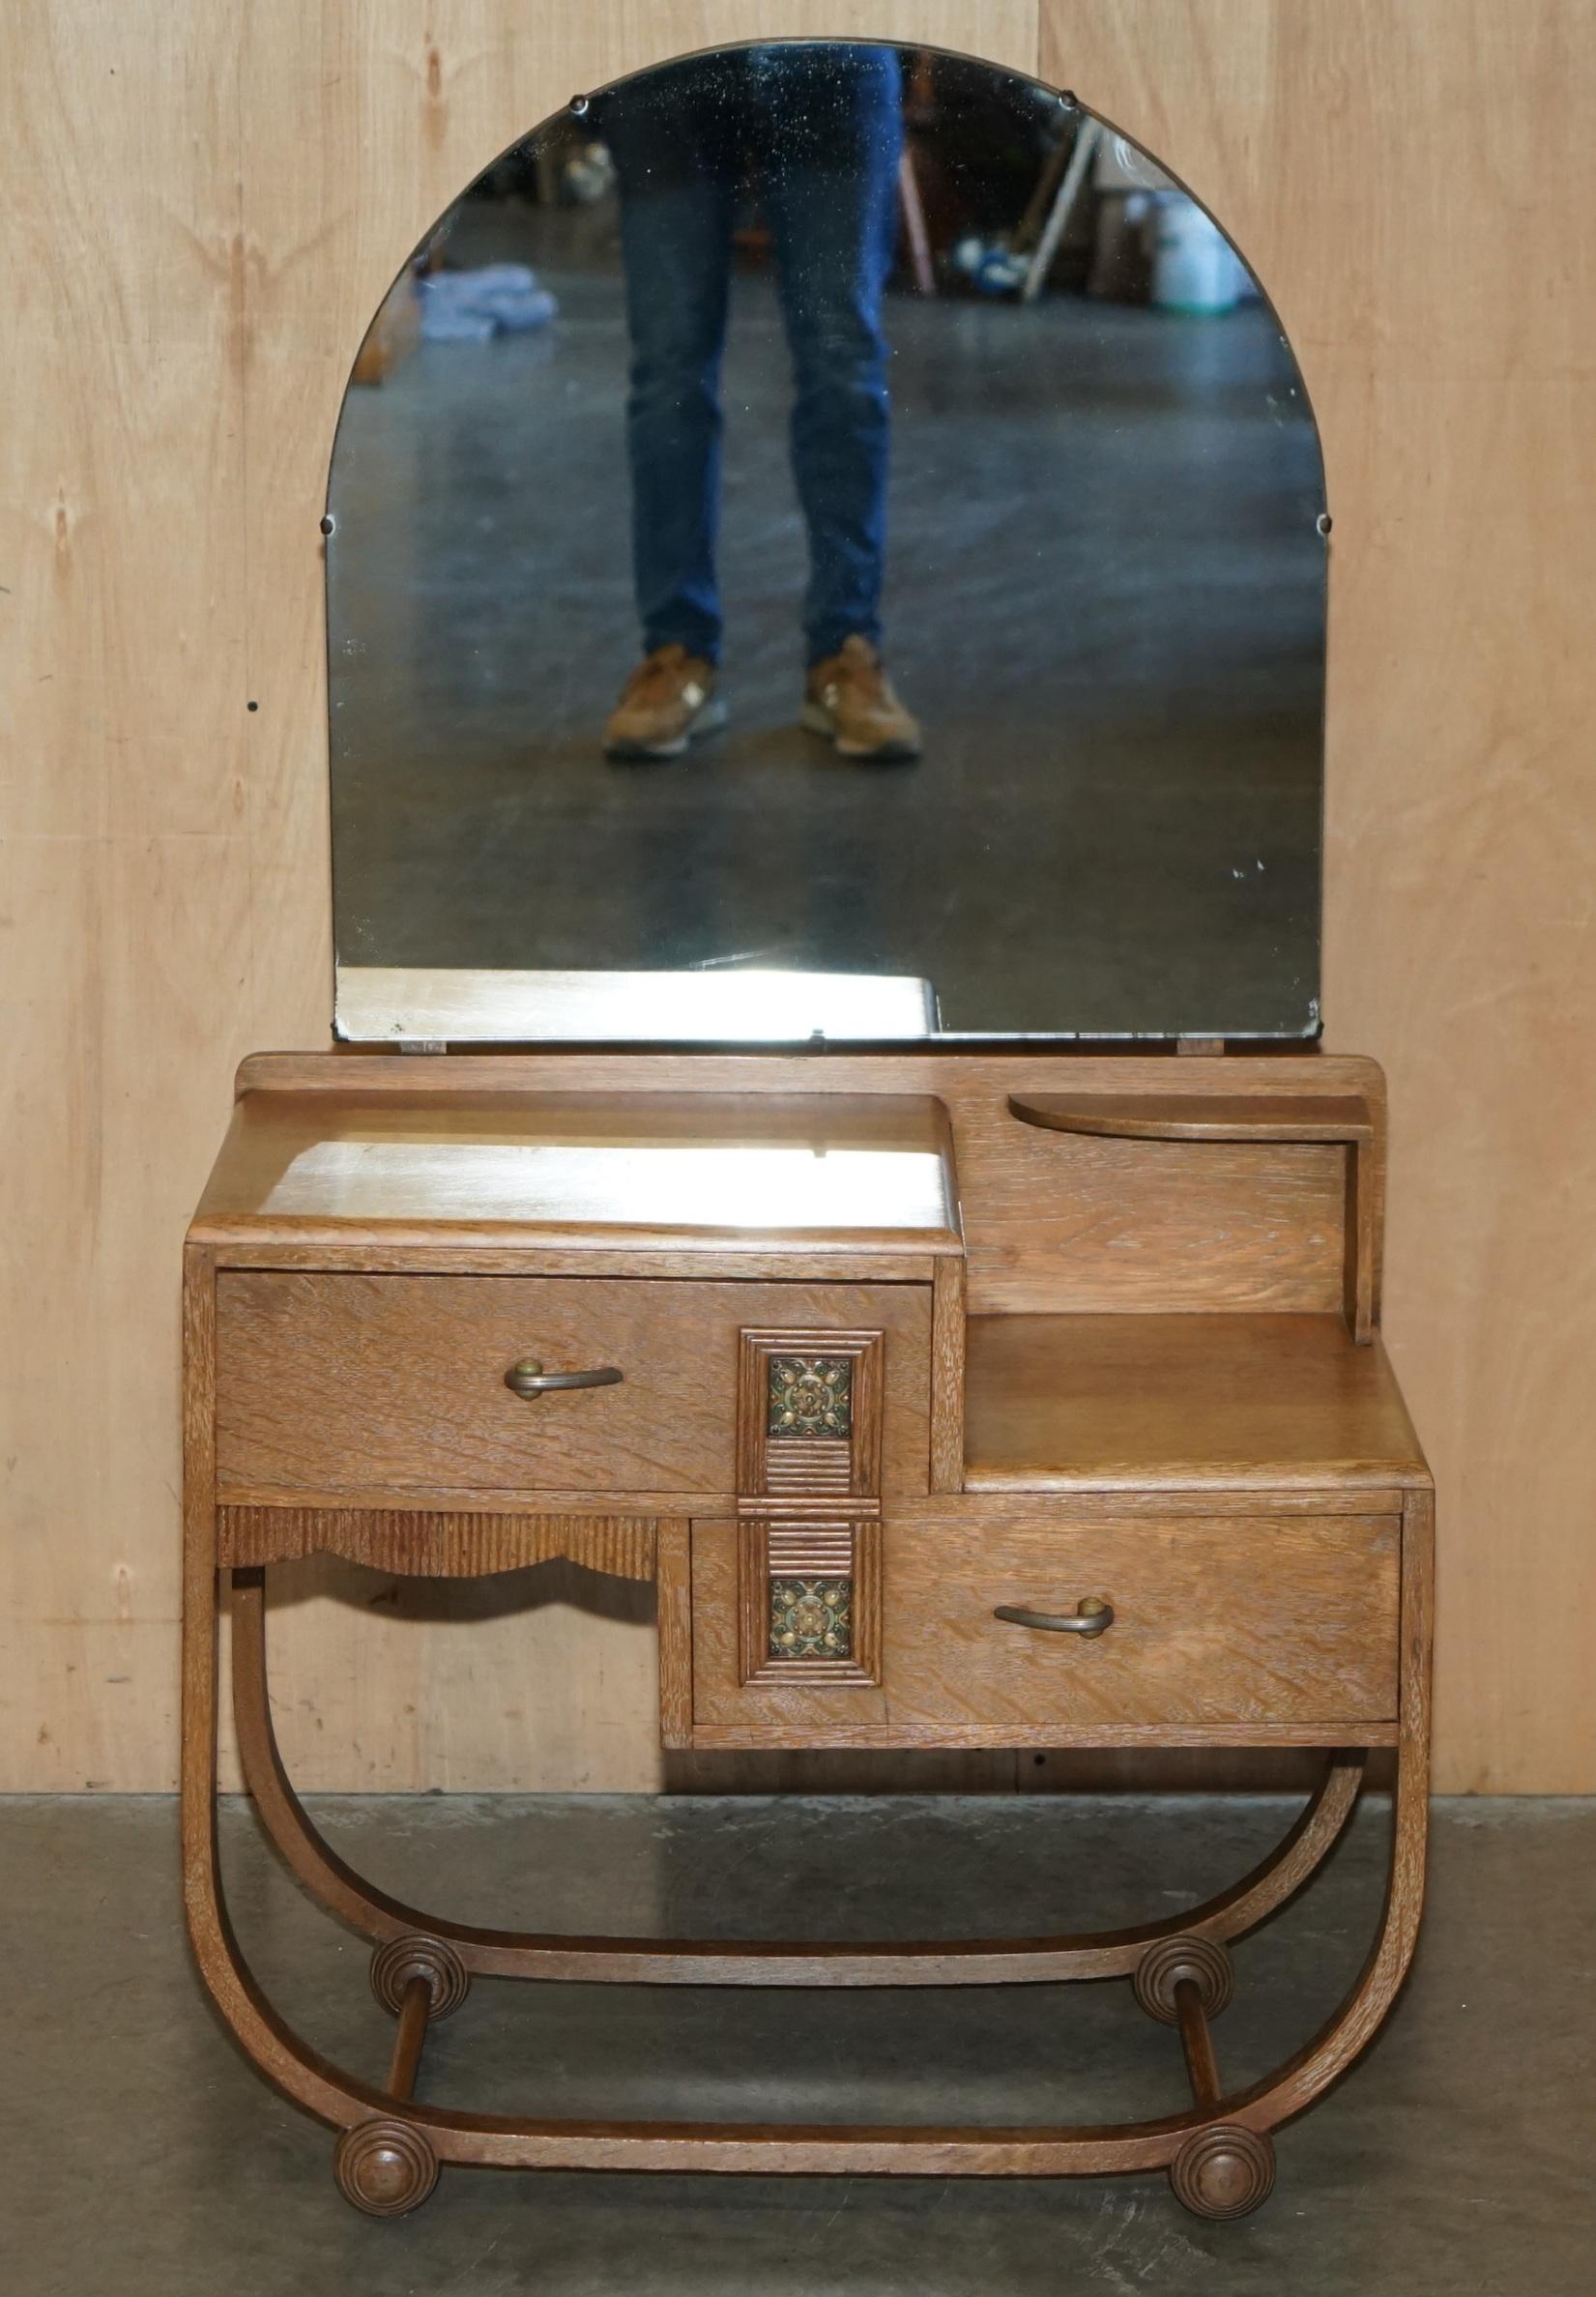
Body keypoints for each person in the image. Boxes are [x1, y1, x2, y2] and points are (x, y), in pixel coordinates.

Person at [598, 44, 922, 764]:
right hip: (666, 55)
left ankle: (846, 652)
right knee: (668, 369)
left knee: (842, 358)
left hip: (834, 47)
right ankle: (677, 655)